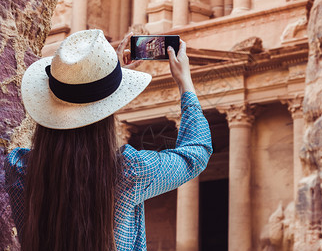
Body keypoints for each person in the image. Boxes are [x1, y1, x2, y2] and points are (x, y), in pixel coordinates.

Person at [4, 29, 213, 251]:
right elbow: (197, 151)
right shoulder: (130, 172)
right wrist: (184, 82)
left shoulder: (18, 169)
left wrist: (103, 81)